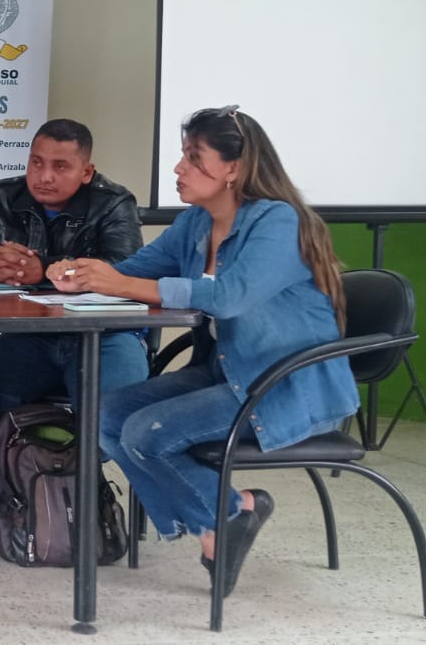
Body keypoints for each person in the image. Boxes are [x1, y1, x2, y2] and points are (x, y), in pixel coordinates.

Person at [53, 105, 353, 595]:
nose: (179, 168)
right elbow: (133, 272)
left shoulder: (278, 222)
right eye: (183, 155)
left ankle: (221, 521)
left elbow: (230, 297)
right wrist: (76, 274)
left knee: (145, 434)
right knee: (104, 415)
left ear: (234, 167)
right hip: (228, 373)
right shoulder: (196, 222)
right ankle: (228, 516)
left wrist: (119, 283)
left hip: (283, 385)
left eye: (194, 158)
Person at [0, 118, 148, 435]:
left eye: (60, 166)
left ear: (86, 172)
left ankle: (77, 464)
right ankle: (36, 460)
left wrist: (43, 268)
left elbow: (125, 266)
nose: (44, 176)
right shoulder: (3, 196)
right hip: (29, 333)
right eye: (36, 163)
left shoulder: (113, 202)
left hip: (104, 333)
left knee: (111, 413)